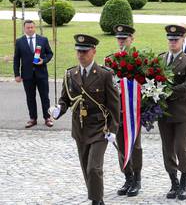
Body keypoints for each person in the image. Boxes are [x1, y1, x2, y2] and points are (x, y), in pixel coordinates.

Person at [49, 34, 120, 205]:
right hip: (80, 128)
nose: (81, 55)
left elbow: (114, 106)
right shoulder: (70, 73)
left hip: (99, 128)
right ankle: (97, 198)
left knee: (94, 168)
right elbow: (66, 99)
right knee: (85, 166)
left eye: (85, 51)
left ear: (93, 51)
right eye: (78, 51)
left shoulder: (104, 75)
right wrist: (59, 109)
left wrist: (113, 129)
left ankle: (96, 201)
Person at [159, 25, 186, 200]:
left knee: (181, 148)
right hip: (163, 112)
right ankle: (173, 181)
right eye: (170, 39)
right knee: (167, 149)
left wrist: (168, 90)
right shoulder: (160, 59)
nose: (172, 42)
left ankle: (184, 180)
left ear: (183, 40)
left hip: (182, 111)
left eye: (176, 39)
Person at [110, 25, 142, 197]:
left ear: (132, 39)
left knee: (135, 147)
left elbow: (145, 84)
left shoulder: (139, 60)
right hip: (117, 111)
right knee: (120, 146)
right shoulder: (111, 60)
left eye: (125, 38)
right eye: (119, 38)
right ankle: (127, 177)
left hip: (133, 112)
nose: (121, 41)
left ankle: (137, 179)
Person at [13, 19, 54, 128]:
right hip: (27, 75)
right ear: (24, 28)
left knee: (45, 97)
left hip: (42, 74)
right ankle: (33, 118)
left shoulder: (43, 40)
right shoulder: (19, 41)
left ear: (34, 28)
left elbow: (50, 54)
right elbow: (16, 59)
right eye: (28, 27)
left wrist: (43, 60)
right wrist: (17, 74)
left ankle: (47, 118)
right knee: (30, 97)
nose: (30, 29)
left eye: (32, 27)